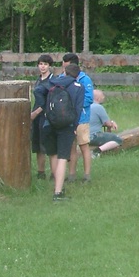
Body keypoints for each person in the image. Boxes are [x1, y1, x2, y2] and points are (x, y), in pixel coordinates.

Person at [32, 64, 83, 201]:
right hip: (67, 125)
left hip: (49, 123)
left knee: (53, 155)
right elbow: (78, 109)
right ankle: (58, 193)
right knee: (62, 157)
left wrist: (44, 107)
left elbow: (37, 91)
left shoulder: (52, 82)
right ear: (78, 75)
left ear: (64, 72)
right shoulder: (78, 87)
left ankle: (57, 185)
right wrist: (75, 126)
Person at [63, 53, 94, 183]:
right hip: (68, 118)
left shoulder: (85, 79)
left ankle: (87, 175)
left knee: (84, 146)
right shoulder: (63, 78)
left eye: (65, 66)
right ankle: (71, 175)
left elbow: (89, 98)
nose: (63, 68)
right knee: (71, 146)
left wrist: (75, 105)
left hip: (81, 118)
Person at [31, 54, 54, 179]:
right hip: (36, 116)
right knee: (37, 144)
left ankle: (54, 173)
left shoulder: (52, 80)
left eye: (45, 64)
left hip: (46, 115)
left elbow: (47, 101)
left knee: (48, 145)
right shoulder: (38, 79)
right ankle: (41, 172)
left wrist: (35, 113)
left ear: (49, 66)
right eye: (40, 64)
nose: (43, 66)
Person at [89, 89, 122, 154]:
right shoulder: (98, 107)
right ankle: (97, 152)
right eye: (102, 96)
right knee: (118, 139)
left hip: (83, 136)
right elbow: (108, 124)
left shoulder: (86, 106)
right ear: (98, 98)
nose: (104, 97)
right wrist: (112, 123)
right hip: (93, 136)